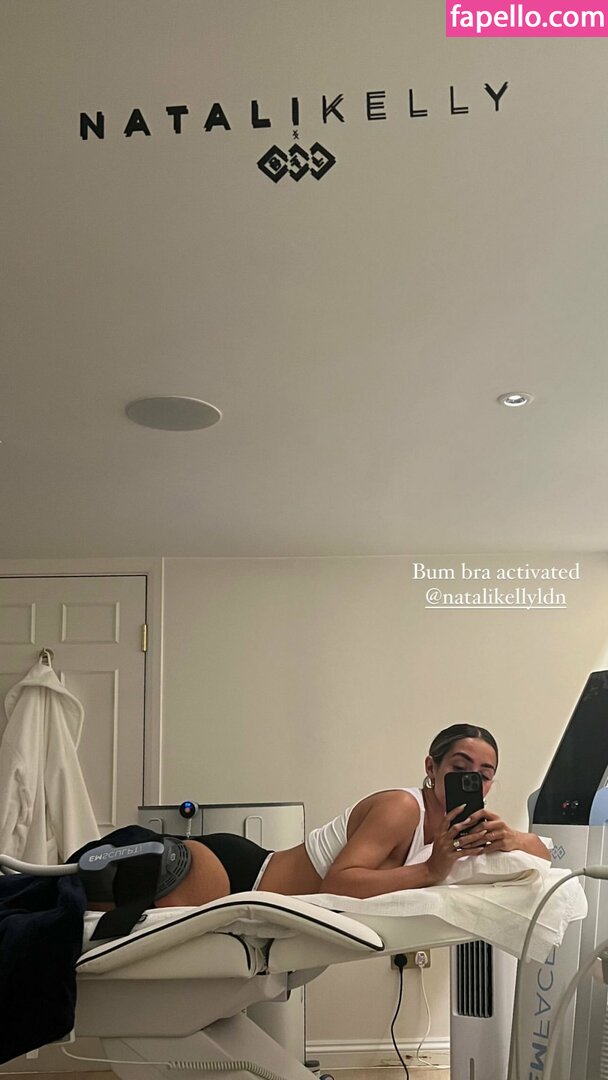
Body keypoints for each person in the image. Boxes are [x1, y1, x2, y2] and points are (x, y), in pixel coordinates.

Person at [80, 724, 550, 913]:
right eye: (460, 768)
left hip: (250, 880)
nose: (472, 780)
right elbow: (338, 883)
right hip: (234, 875)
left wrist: (511, 837)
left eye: (484, 775)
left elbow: (545, 855)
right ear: (432, 766)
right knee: (93, 916)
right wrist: (431, 870)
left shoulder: (463, 827)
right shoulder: (401, 808)